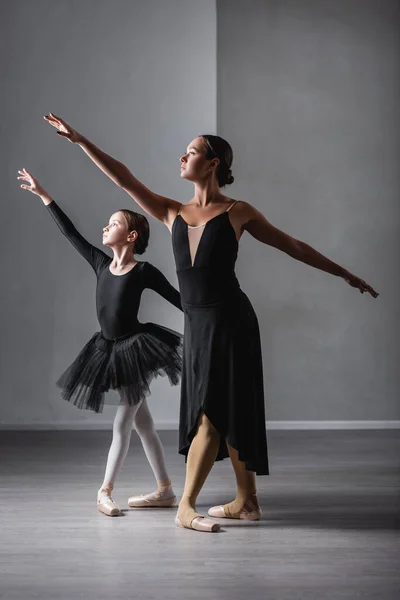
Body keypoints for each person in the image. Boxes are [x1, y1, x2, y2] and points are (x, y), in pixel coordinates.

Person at [43, 113, 379, 533]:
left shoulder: (238, 212)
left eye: (193, 151)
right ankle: (247, 501)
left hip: (233, 321)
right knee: (224, 408)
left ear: (214, 162)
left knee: (214, 411)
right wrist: (79, 140)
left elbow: (293, 246)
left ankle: (186, 504)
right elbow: (124, 181)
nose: (183, 156)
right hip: (199, 325)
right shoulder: (171, 212)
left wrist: (344, 273)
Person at [17, 168, 183, 518]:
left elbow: (180, 300)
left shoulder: (144, 272)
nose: (106, 226)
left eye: (114, 223)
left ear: (131, 235)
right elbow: (70, 233)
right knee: (144, 424)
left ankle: (104, 491)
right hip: (106, 349)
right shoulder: (100, 263)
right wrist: (43, 193)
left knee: (123, 422)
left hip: (135, 349)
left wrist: (212, 310)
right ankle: (166, 489)